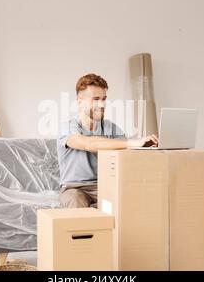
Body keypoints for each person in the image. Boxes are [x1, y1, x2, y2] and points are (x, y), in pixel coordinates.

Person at [57, 73, 159, 208]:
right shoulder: (68, 127)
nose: (102, 104)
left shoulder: (111, 128)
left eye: (104, 99)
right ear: (80, 101)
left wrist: (145, 146)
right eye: (96, 99)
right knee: (74, 200)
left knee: (135, 198)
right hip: (75, 188)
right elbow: (87, 143)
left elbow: (126, 152)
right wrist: (131, 143)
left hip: (104, 186)